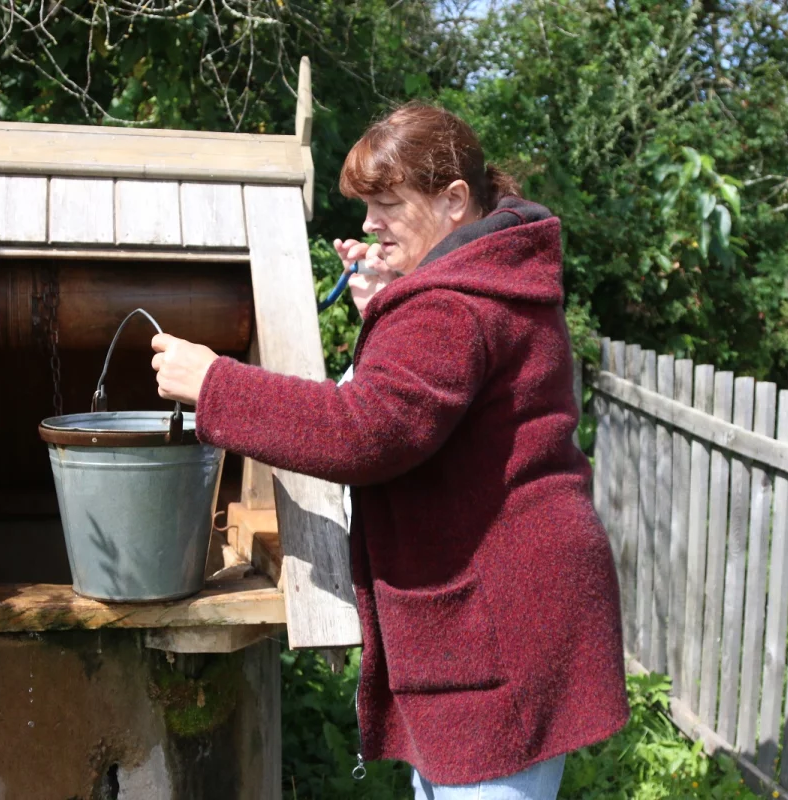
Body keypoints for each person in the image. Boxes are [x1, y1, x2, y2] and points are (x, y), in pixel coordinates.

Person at [150, 102, 629, 799]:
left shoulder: (454, 303)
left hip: (499, 619)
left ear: (455, 200)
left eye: (388, 204)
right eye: (367, 205)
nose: (370, 224)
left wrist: (215, 384)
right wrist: (388, 304)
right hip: (510, 605)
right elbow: (422, 395)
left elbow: (366, 430)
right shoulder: (484, 278)